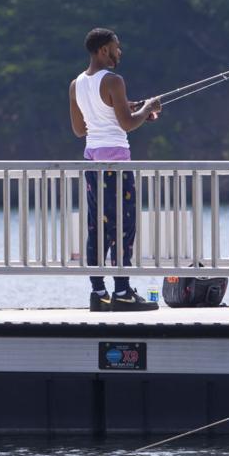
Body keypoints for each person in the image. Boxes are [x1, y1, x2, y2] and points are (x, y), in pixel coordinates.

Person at [69, 28, 162, 312]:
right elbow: (127, 125)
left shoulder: (76, 84)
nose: (119, 52)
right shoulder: (113, 80)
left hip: (92, 162)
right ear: (102, 50)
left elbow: (78, 129)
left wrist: (130, 110)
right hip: (117, 164)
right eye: (115, 47)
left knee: (97, 228)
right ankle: (122, 292)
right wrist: (147, 108)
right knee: (124, 226)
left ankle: (99, 293)